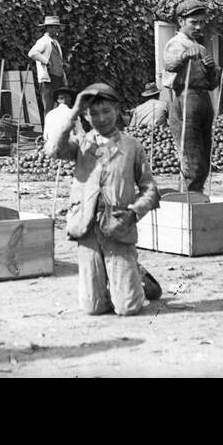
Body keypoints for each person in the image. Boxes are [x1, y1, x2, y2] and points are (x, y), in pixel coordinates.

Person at [47, 82, 161, 316]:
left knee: (128, 308)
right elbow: (53, 151)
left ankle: (136, 276)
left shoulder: (132, 146)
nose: (101, 118)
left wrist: (133, 213)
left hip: (118, 226)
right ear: (86, 117)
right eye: (94, 113)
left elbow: (150, 189)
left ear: (117, 110)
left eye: (107, 111)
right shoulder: (81, 143)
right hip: (86, 226)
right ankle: (115, 279)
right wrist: (73, 112)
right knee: (93, 307)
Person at [162, 0, 218, 192]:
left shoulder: (201, 48)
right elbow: (169, 64)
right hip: (185, 99)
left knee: (203, 159)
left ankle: (196, 197)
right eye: (194, 22)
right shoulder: (176, 43)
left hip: (203, 100)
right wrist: (185, 55)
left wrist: (211, 70)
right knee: (192, 160)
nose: (199, 27)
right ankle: (188, 200)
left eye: (202, 22)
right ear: (181, 21)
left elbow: (213, 84)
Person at [27, 16, 66, 121]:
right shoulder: (43, 41)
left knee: (58, 108)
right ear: (48, 28)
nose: (57, 30)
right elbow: (32, 53)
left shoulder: (55, 42)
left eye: (57, 27)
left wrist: (63, 76)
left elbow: (59, 60)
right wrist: (46, 61)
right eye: (55, 27)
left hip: (57, 78)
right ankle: (47, 130)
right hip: (48, 79)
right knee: (48, 108)